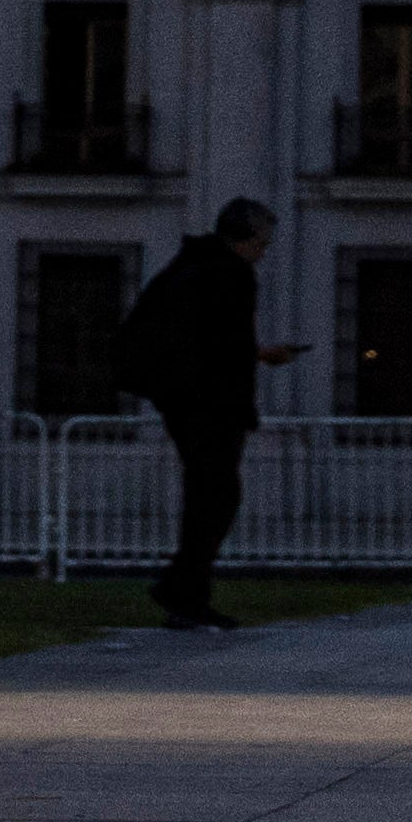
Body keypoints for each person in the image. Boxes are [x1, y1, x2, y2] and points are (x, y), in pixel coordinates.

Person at [117, 202, 302, 625]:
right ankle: (183, 593)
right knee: (215, 497)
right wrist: (259, 356)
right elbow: (223, 342)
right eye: (261, 243)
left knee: (210, 496)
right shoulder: (228, 274)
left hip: (187, 398)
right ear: (245, 238)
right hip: (209, 403)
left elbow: (202, 336)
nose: (264, 252)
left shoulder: (193, 266)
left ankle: (184, 591)